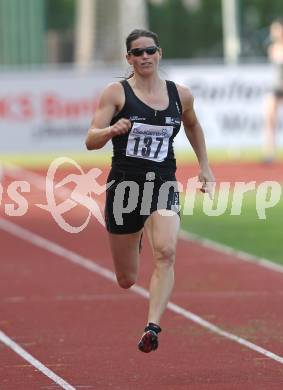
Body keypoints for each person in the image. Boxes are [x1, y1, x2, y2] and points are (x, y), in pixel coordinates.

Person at [85, 29, 215, 353]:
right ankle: (138, 232)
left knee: (167, 252)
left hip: (162, 183)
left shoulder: (180, 95)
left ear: (160, 53)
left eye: (149, 51)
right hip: (125, 187)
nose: (144, 57)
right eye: (137, 52)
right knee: (127, 278)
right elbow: (90, 139)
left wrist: (205, 167)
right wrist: (111, 129)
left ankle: (152, 327)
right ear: (128, 58)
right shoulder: (116, 94)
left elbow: (193, 124)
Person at [263, 18, 283, 163]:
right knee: (269, 118)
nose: (274, 32)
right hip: (276, 87)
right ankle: (270, 153)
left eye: (277, 29)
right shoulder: (273, 48)